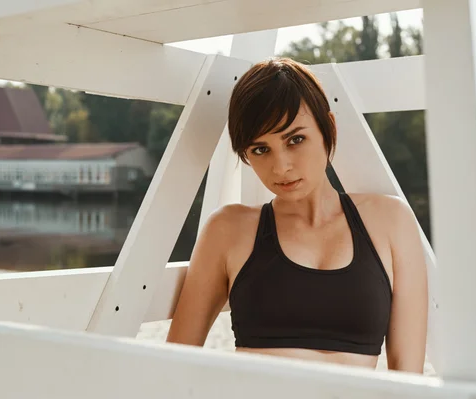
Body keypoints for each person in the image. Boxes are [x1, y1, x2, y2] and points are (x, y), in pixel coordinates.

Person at [166, 57, 428, 373]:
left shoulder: (390, 221)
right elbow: (174, 364)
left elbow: (407, 373)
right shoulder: (228, 230)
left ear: (328, 128)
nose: (281, 167)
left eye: (295, 139)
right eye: (261, 149)